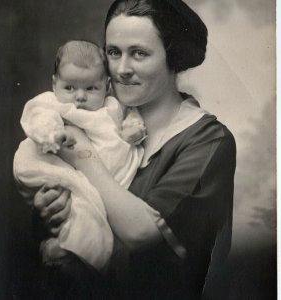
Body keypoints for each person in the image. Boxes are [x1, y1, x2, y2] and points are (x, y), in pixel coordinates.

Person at [31, 0, 236, 299]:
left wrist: (82, 154)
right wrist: (47, 209)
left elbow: (142, 233)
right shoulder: (93, 118)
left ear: (173, 58)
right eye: (114, 52)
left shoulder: (207, 140)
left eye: (139, 53)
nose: (122, 69)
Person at [13, 40, 146, 271]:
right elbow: (38, 117)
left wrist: (132, 129)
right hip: (53, 164)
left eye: (91, 88)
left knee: (88, 208)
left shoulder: (114, 106)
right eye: (70, 88)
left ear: (107, 86)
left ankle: (68, 250)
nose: (80, 97)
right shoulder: (53, 103)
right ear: (55, 85)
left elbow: (131, 118)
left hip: (96, 175)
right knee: (84, 207)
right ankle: (66, 251)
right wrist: (52, 134)